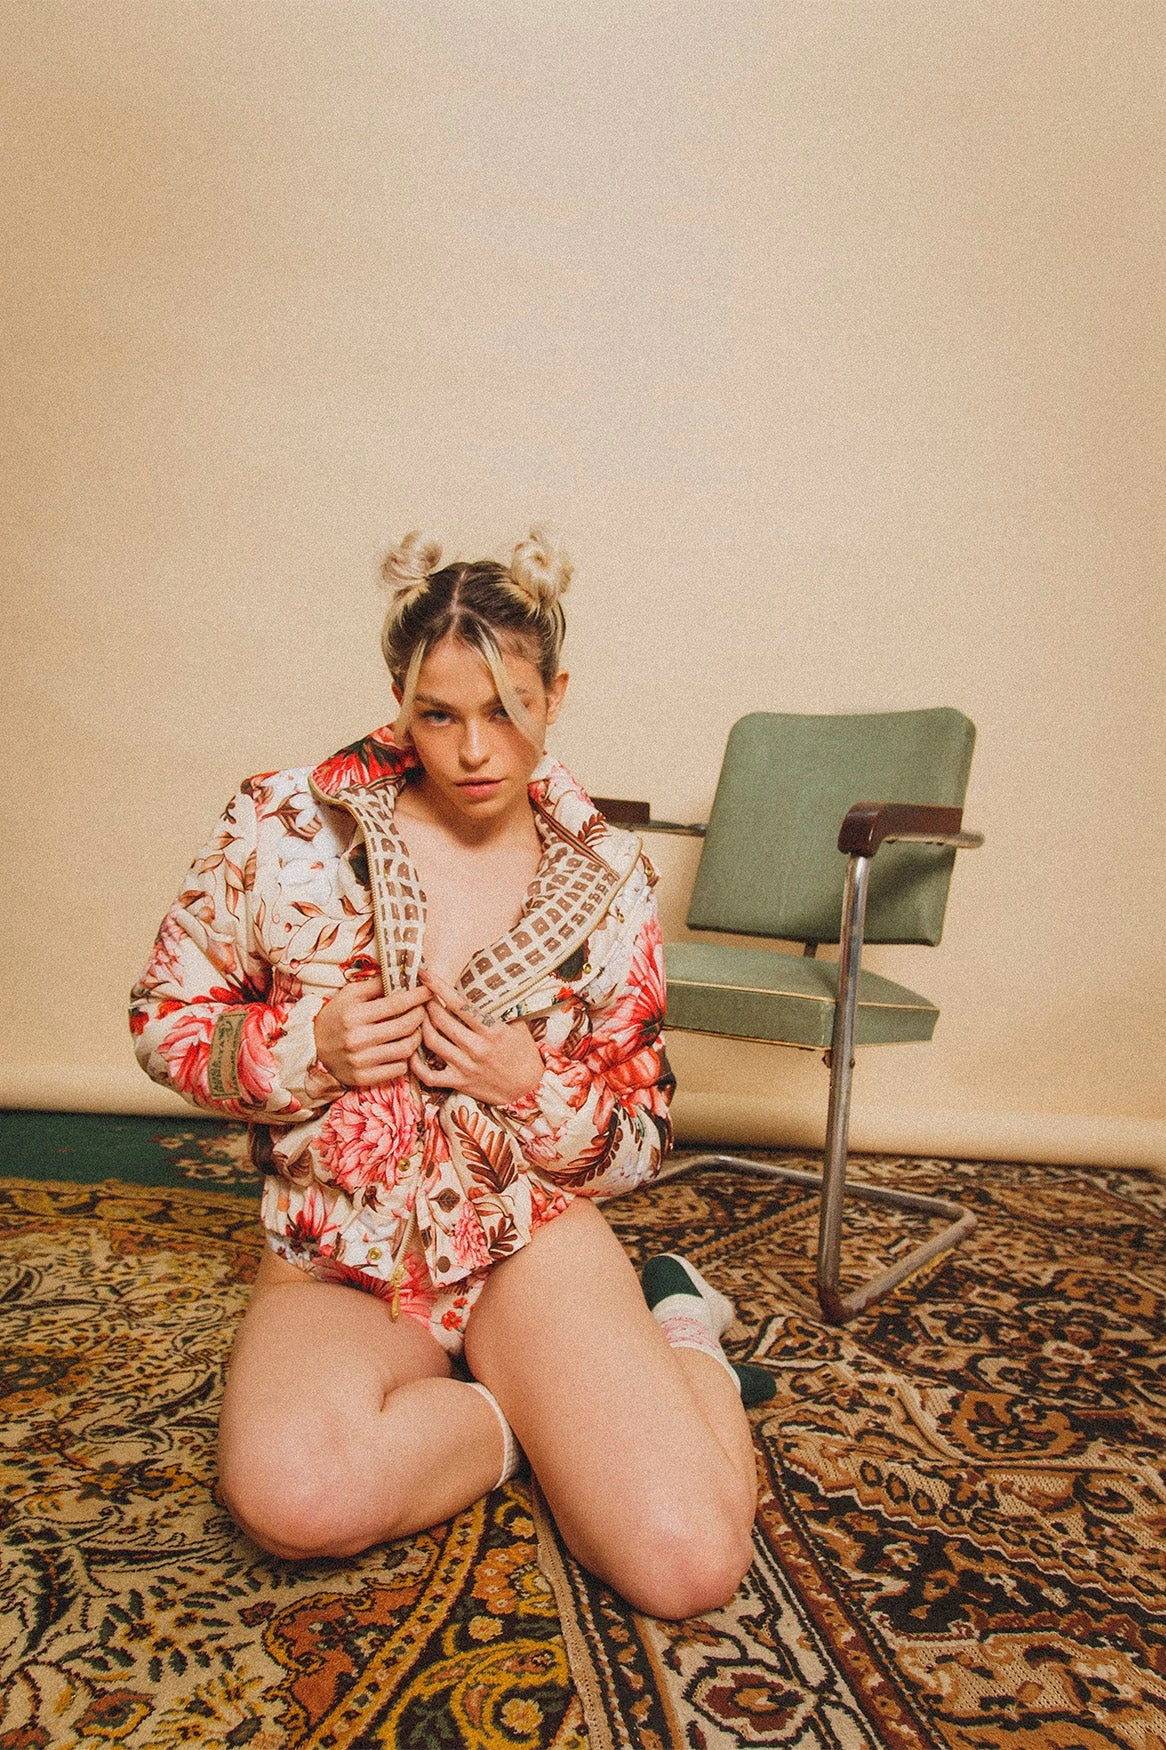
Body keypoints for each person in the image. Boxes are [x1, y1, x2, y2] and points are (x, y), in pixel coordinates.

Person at [130, 528, 757, 1619]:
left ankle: (679, 1326)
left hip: (529, 1241)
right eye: (438, 714)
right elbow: (164, 1018)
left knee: (689, 1564)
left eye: (507, 710)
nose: (474, 750)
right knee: (293, 1499)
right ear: (398, 697)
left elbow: (640, 1138)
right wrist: (307, 1049)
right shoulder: (286, 826)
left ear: (555, 696)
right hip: (344, 1253)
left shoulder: (608, 875)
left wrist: (529, 1085)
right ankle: (521, 1422)